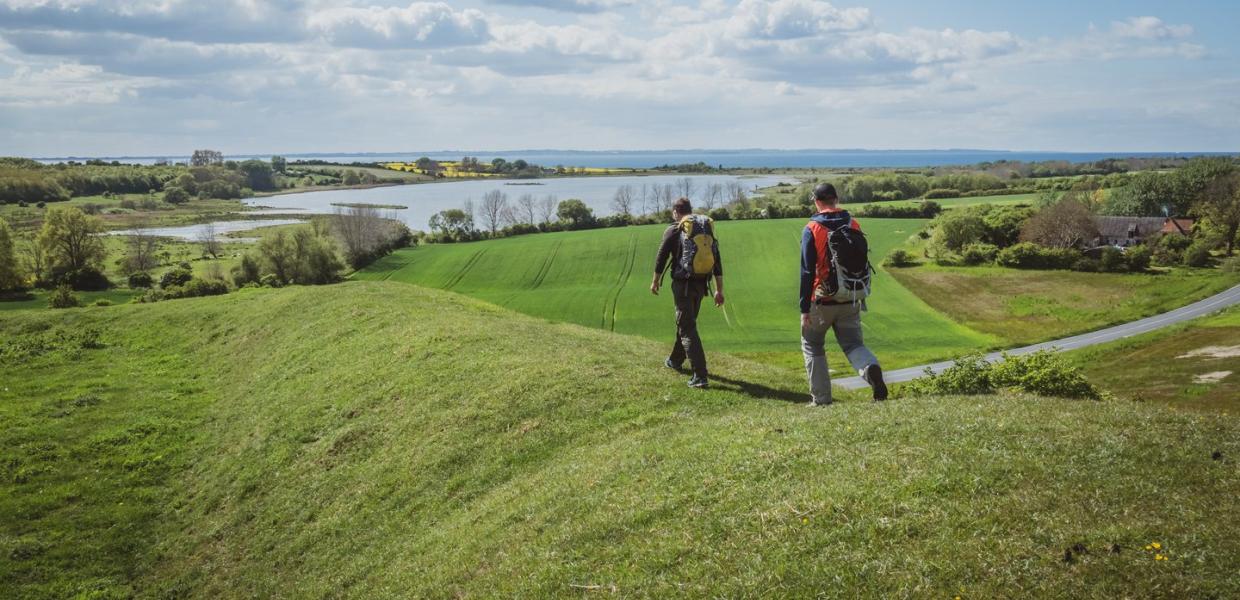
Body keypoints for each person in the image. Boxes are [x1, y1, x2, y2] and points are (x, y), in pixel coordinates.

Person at [799, 182, 887, 404]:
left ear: (817, 202)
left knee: (812, 345)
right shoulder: (852, 223)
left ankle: (821, 400)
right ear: (836, 200)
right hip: (851, 296)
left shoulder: (812, 228)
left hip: (822, 301)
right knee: (854, 344)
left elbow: (807, 271)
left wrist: (804, 309)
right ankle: (870, 368)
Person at [651, 197, 724, 389]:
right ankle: (675, 360)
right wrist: (719, 290)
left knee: (687, 327)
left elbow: (661, 256)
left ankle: (700, 376)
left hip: (683, 285)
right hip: (701, 284)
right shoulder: (704, 229)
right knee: (686, 322)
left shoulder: (675, 229)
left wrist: (655, 281)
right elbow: (717, 260)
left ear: (676, 212)